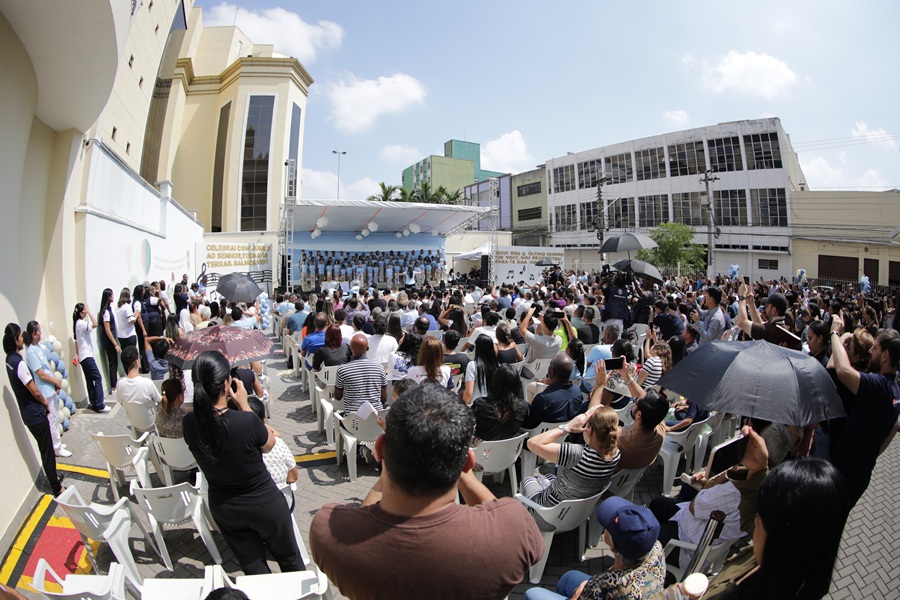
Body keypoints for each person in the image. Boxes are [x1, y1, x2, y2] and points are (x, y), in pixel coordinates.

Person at [309, 384, 544, 600]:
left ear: (380, 449)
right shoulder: (517, 531)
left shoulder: (328, 533)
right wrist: (461, 466)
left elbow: (362, 519)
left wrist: (388, 464)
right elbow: (502, 517)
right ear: (468, 461)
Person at [651, 429, 850, 600]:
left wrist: (676, 594)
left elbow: (700, 505)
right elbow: (746, 514)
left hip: (687, 539)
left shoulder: (753, 586)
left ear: (783, 536)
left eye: (761, 515)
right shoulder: (777, 565)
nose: (754, 520)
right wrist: (758, 470)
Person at [183, 351, 303, 575]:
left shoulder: (190, 423)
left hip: (224, 506)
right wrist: (245, 404)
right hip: (264, 503)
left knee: (253, 567)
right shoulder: (245, 421)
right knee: (290, 560)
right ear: (227, 382)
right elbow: (268, 445)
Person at [524, 497, 665, 600]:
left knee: (532, 594)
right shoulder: (657, 548)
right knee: (568, 578)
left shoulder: (602, 586)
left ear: (613, 545)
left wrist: (582, 591)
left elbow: (602, 587)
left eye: (608, 527)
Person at [829, 314, 900, 507]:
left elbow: (843, 371)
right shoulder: (895, 390)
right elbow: (895, 426)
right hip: (862, 471)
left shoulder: (879, 385)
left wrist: (835, 333)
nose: (870, 351)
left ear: (885, 355)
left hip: (846, 472)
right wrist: (871, 453)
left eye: (875, 348)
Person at [4, 323, 64, 495]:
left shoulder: (8, 360)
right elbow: (34, 390)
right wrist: (45, 403)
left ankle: (53, 477)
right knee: (47, 451)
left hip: (27, 414)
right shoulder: (19, 363)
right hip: (35, 414)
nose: (23, 338)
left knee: (44, 448)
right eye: (21, 337)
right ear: (16, 340)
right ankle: (56, 486)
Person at [521, 405, 620, 508]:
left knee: (528, 479)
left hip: (548, 514)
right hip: (578, 512)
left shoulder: (577, 454)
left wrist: (567, 427)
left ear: (590, 430)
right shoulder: (615, 454)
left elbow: (532, 443)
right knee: (547, 477)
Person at [23, 321, 71, 458]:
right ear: (33, 334)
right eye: (38, 331)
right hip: (44, 390)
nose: (41, 333)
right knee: (52, 419)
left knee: (55, 417)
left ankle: (57, 443)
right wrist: (55, 381)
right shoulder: (31, 352)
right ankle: (57, 447)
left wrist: (55, 384)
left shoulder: (38, 347)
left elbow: (47, 368)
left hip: (50, 388)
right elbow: (41, 374)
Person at [246, 397, 298, 510]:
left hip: (249, 512)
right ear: (264, 422)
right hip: (284, 505)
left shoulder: (231, 453)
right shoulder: (277, 444)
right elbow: (293, 476)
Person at [522, 354, 584, 429]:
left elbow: (528, 425)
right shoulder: (577, 392)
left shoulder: (543, 399)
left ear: (551, 371)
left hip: (540, 437)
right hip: (563, 434)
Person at [472, 364, 529, 441]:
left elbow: (467, 424)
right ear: (517, 384)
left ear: (495, 382)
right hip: (511, 451)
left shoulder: (480, 404)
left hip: (484, 451)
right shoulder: (523, 406)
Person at [616, 389, 669, 471]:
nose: (634, 402)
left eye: (636, 401)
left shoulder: (619, 438)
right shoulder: (661, 431)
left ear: (639, 414)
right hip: (629, 480)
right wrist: (627, 378)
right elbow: (656, 407)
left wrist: (599, 387)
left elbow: (591, 416)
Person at [335, 334, 387, 412]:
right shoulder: (379, 368)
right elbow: (384, 398)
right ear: (367, 348)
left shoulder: (342, 370)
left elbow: (338, 397)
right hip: (376, 419)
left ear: (350, 348)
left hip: (352, 420)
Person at [72, 303, 108, 412]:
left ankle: (94, 403)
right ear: (82, 312)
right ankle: (100, 405)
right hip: (87, 356)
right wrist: (89, 312)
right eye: (84, 311)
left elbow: (77, 342)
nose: (86, 312)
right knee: (97, 378)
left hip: (83, 356)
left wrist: (77, 355)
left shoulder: (77, 324)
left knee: (89, 380)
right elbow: (95, 324)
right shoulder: (81, 323)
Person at [463, 334, 500, 405]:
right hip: (493, 406)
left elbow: (469, 393)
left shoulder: (472, 365)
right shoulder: (497, 365)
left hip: (476, 406)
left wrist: (462, 406)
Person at [97, 288, 120, 395]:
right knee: (113, 363)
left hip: (111, 340)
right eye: (112, 295)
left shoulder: (109, 310)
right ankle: (114, 386)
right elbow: (107, 329)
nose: (113, 297)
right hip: (109, 342)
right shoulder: (106, 312)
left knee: (114, 362)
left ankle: (115, 383)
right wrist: (115, 343)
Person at [114, 287, 138, 351]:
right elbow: (131, 320)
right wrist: (136, 315)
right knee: (132, 355)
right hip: (129, 334)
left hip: (121, 335)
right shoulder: (126, 306)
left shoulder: (118, 307)